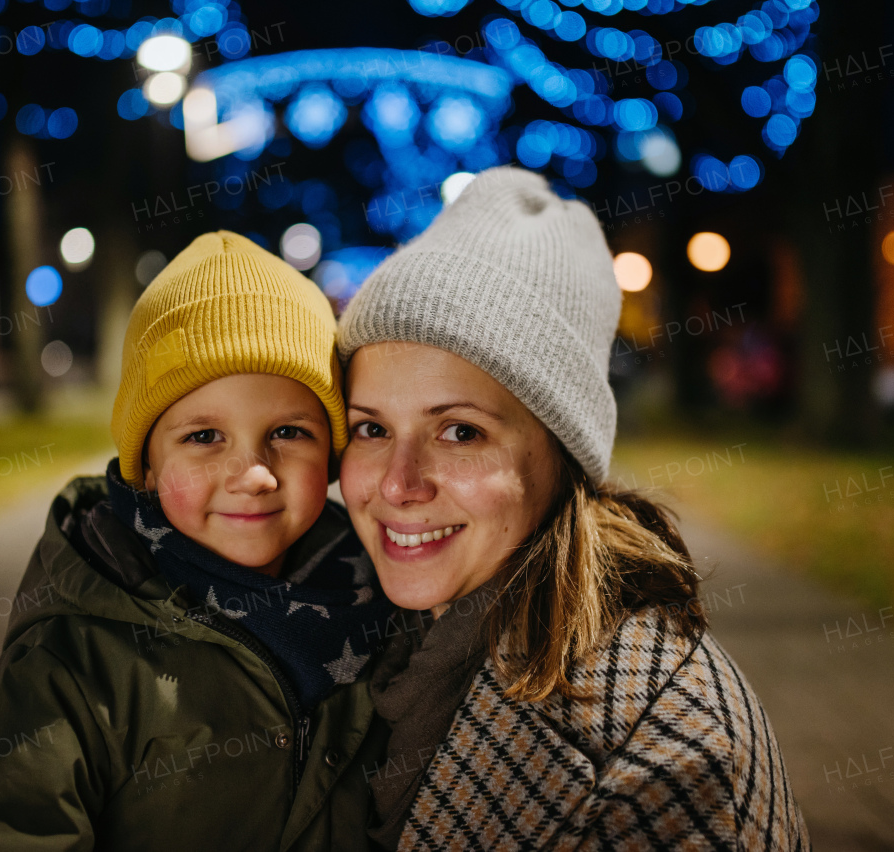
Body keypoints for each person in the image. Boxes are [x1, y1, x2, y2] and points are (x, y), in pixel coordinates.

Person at [336, 167, 810, 851]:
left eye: (460, 431)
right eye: (371, 428)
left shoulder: (674, 745)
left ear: (563, 455)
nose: (399, 485)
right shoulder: (352, 631)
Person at [0, 231, 391, 851]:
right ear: (145, 467)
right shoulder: (71, 663)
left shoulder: (381, 606)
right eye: (204, 437)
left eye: (288, 431)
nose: (255, 475)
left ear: (333, 453)